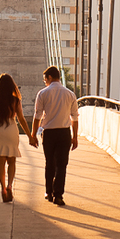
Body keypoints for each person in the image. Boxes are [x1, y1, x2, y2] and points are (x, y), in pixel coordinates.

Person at [0, 74, 36, 202]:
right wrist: (30, 136)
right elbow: (21, 119)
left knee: (0, 162)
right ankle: (10, 185)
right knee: (12, 161)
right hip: (12, 129)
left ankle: (3, 188)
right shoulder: (16, 100)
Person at [31, 65, 79, 206]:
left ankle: (49, 192)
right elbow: (74, 117)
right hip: (64, 133)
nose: (45, 82)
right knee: (62, 165)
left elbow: (37, 116)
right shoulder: (70, 94)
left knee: (50, 163)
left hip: (49, 133)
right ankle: (58, 195)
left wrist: (33, 134)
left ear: (50, 77)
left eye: (45, 79)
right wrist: (75, 136)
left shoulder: (42, 93)